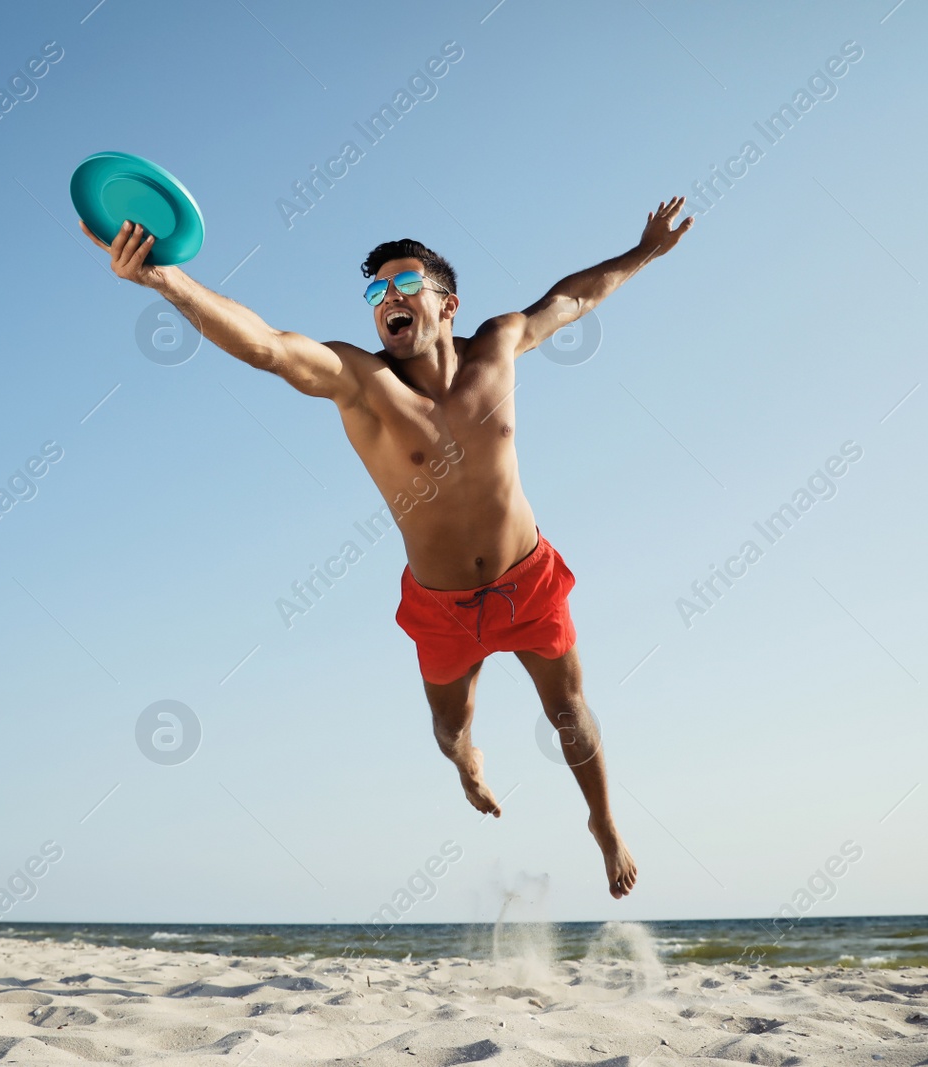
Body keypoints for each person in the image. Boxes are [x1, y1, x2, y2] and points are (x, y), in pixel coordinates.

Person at [83, 198, 693, 898]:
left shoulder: (497, 346)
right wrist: (165, 280)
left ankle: (605, 823)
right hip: (442, 606)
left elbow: (573, 298)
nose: (388, 300)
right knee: (447, 726)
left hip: (527, 581)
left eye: (405, 286)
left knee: (570, 708)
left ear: (447, 305)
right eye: (376, 292)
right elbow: (267, 345)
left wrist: (644, 249)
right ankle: (467, 762)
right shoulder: (360, 382)